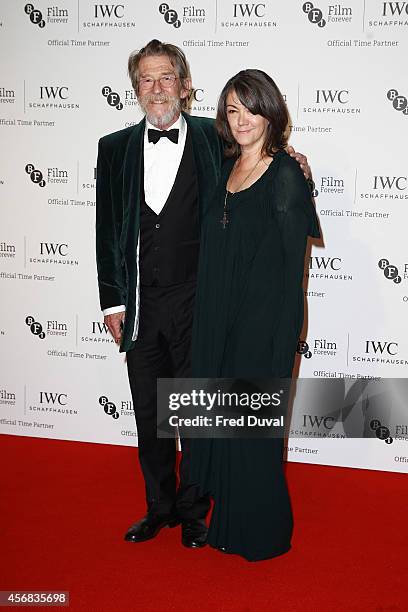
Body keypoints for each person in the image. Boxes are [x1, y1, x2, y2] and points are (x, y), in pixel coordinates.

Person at [95, 39, 312, 549]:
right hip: (142, 307)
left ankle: (196, 510)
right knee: (151, 413)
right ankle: (158, 508)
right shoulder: (113, 148)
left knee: (199, 412)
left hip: (202, 304)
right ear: (135, 89)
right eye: (146, 79)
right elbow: (106, 230)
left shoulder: (215, 139)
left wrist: (296, 164)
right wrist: (113, 300)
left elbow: (261, 162)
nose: (157, 88)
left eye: (166, 77)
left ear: (185, 85)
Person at [189, 69, 320, 561]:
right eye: (231, 110)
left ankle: (263, 532)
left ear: (270, 110)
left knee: (252, 428)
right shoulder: (222, 164)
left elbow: (292, 267)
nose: (241, 119)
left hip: (261, 321)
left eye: (250, 107)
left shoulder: (285, 173)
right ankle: (229, 523)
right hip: (216, 315)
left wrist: (283, 335)